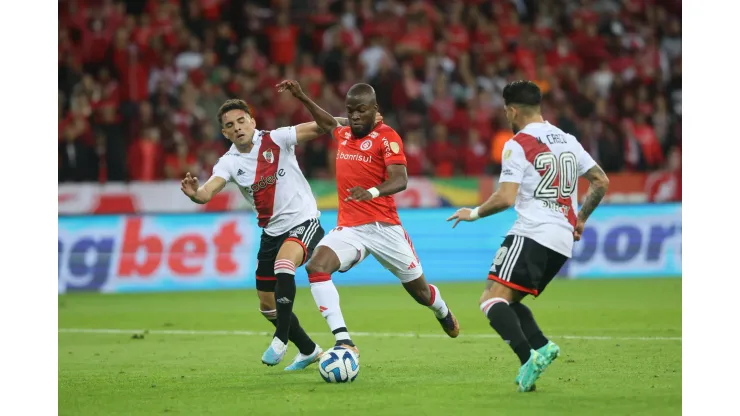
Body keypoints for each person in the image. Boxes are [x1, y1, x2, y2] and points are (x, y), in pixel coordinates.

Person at [180, 97, 367, 370]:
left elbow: (320, 127)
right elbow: (207, 192)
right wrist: (195, 194)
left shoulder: (278, 138)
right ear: (224, 132)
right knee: (267, 304)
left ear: (252, 121)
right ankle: (308, 350)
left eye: (241, 121)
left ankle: (280, 338)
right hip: (271, 232)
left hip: (305, 221)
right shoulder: (229, 163)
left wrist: (356, 123)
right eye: (230, 125)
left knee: (284, 263)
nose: (237, 128)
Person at [275, 79, 460, 357]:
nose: (355, 116)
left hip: (385, 228)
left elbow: (401, 179)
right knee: (316, 267)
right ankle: (343, 340)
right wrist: (302, 96)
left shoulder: (388, 136)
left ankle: (441, 309)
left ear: (375, 109)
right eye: (351, 111)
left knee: (421, 293)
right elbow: (327, 122)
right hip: (350, 228)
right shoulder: (345, 133)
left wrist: (372, 192)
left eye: (361, 110)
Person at [447, 80, 610, 392]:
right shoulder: (568, 140)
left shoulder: (518, 143)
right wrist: (581, 219)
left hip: (533, 232)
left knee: (490, 299)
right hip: (562, 242)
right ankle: (542, 346)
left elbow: (506, 197)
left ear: (512, 110)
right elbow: (600, 181)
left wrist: (474, 213)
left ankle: (528, 358)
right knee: (508, 299)